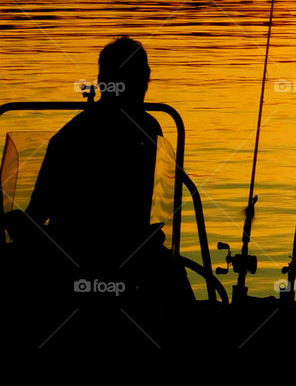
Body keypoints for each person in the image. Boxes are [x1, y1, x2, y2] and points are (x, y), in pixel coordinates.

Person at [6, 36, 191, 315]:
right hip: (123, 255)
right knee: (171, 273)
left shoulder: (69, 137)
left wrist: (20, 225)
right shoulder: (149, 128)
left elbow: (37, 211)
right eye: (141, 79)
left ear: (103, 82)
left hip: (75, 256)